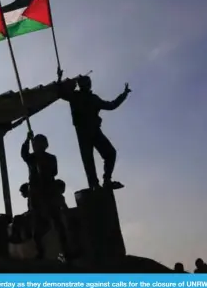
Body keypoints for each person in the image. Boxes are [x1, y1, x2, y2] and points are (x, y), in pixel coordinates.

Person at [58, 72, 131, 189]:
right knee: (88, 161)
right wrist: (59, 78)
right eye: (86, 83)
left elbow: (111, 105)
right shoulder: (75, 96)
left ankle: (106, 180)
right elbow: (60, 93)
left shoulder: (92, 98)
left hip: (94, 131)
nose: (88, 85)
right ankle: (95, 185)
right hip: (83, 132)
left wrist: (124, 94)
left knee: (110, 153)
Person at [21, 131, 70, 260]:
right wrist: (27, 140)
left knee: (57, 222)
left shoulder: (51, 158)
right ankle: (41, 252)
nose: (38, 146)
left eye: (40, 143)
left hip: (49, 192)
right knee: (38, 224)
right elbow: (24, 154)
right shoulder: (32, 158)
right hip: (36, 194)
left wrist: (42, 167)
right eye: (36, 143)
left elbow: (54, 172)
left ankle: (65, 252)